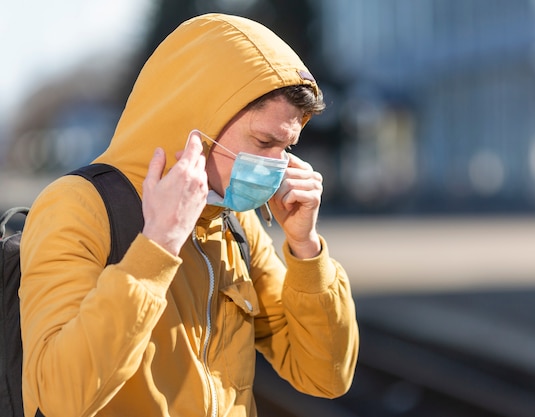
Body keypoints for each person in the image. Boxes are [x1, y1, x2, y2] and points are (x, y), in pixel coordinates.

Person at [19, 13, 359, 417]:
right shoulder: (76, 206)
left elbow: (325, 375)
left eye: (286, 148)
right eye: (264, 142)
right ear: (199, 121)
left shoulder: (234, 222)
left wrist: (305, 249)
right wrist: (158, 245)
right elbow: (60, 396)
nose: (277, 166)